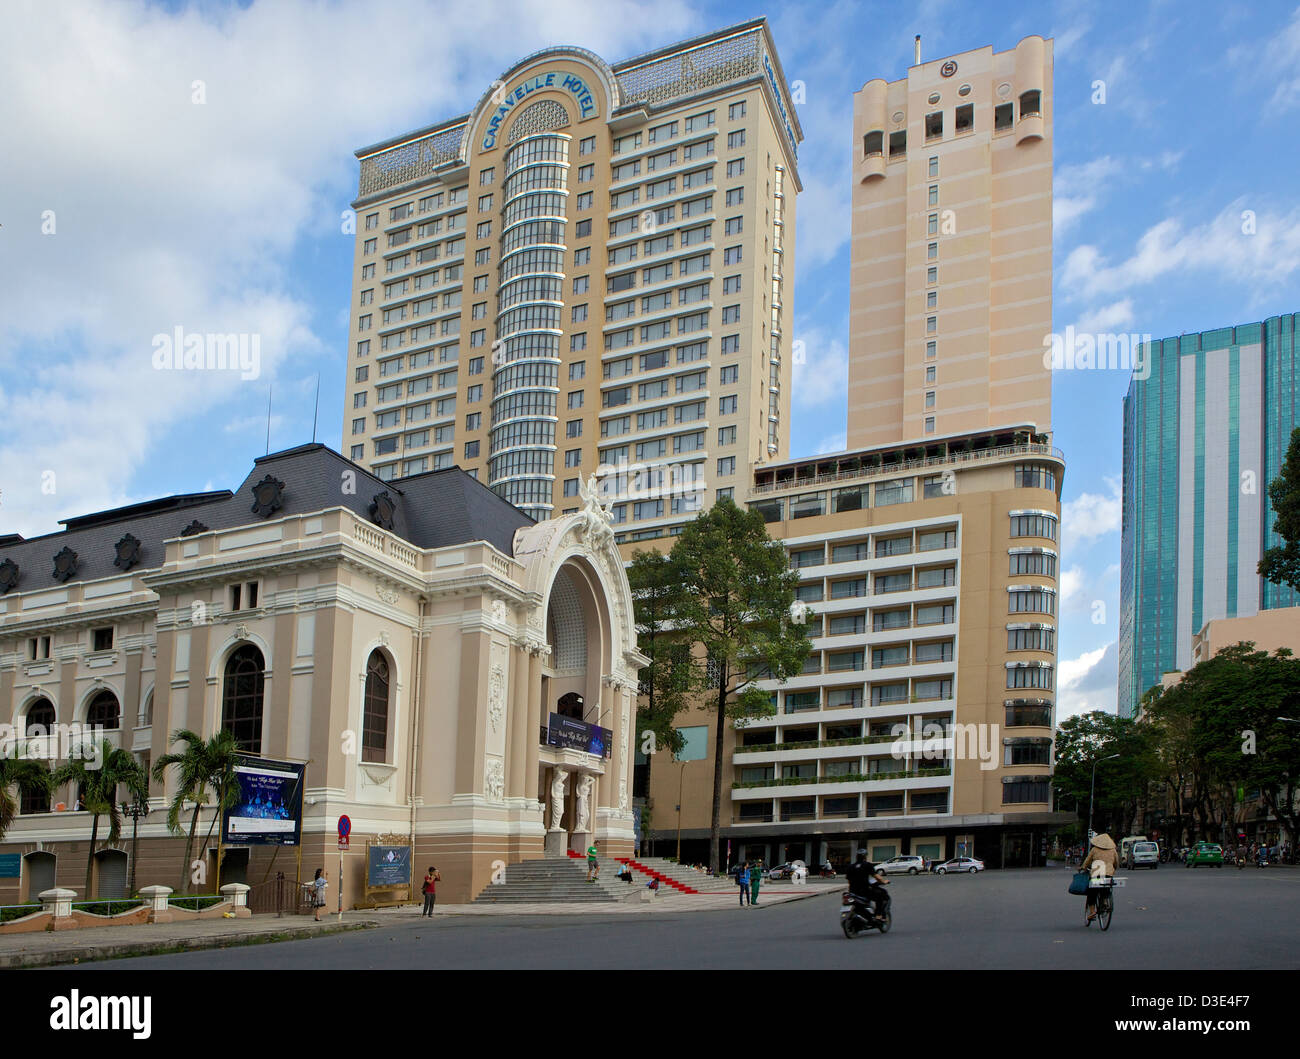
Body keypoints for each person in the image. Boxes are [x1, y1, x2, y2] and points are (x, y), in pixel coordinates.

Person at [1080, 833, 1117, 923]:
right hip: (1108, 874)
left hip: (1096, 874)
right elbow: (1116, 862)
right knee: (1106, 889)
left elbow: (1087, 861)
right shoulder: (1113, 850)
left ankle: (1092, 911)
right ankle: (1104, 902)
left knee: (1091, 892)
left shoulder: (1094, 849)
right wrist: (1113, 868)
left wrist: (1083, 867)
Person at [844, 851, 889, 920]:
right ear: (865, 857)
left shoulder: (850, 867)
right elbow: (877, 877)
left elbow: (849, 880)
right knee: (881, 895)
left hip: (853, 891)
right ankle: (878, 915)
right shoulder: (867, 865)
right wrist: (884, 882)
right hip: (865, 891)